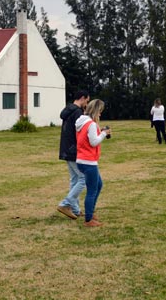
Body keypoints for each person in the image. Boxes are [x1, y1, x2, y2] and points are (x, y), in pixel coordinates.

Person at [75, 99, 111, 227]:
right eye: (100, 112)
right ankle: (88, 219)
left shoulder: (82, 122)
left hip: (82, 159)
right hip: (88, 161)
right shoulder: (91, 124)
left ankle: (90, 212)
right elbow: (93, 142)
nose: (100, 114)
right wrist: (103, 133)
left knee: (98, 185)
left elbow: (88, 138)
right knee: (92, 190)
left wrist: (99, 132)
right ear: (95, 111)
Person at [57, 90, 90, 219]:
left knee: (75, 180)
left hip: (65, 149)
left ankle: (75, 210)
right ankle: (65, 203)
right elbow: (80, 133)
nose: (86, 103)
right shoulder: (77, 113)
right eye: (87, 101)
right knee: (83, 179)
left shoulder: (67, 110)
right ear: (82, 98)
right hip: (74, 150)